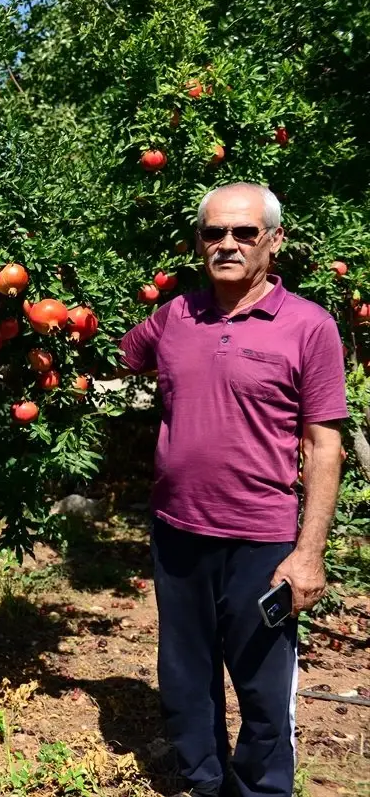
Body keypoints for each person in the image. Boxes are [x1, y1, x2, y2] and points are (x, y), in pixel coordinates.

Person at [120, 183, 347, 797]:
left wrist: (309, 552)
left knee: (263, 688)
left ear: (273, 241)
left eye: (244, 233)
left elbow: (325, 445)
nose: (228, 244)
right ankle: (203, 783)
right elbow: (128, 355)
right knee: (186, 681)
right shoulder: (175, 316)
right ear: (198, 243)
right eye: (214, 233)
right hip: (178, 531)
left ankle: (262, 790)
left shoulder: (309, 326)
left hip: (262, 541)